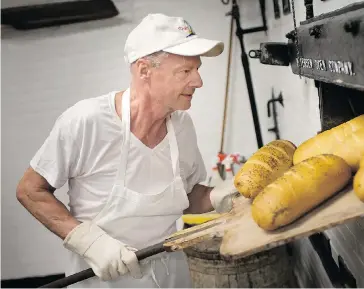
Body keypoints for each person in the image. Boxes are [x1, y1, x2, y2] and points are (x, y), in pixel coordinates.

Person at [16, 13, 239, 288]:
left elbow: (186, 195)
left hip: (170, 276)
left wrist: (217, 196)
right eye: (185, 71)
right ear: (145, 70)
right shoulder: (87, 121)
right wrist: (89, 242)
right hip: (100, 280)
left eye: (197, 69)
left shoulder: (181, 126)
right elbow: (30, 190)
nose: (198, 82)